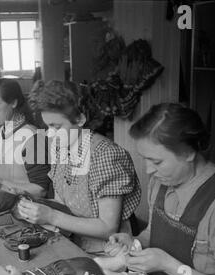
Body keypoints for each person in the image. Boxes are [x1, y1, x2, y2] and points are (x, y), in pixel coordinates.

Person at [106, 103, 215, 275]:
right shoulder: (160, 183)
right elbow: (154, 233)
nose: (148, 170)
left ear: (188, 152)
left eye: (157, 161)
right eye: (145, 159)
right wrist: (134, 243)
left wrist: (168, 265)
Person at [17, 80, 141, 254]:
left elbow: (108, 228)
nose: (50, 134)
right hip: (73, 243)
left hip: (107, 252)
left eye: (56, 126)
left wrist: (51, 216)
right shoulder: (62, 148)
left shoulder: (105, 155)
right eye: (47, 126)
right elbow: (62, 205)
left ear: (81, 118)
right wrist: (33, 207)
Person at [0, 79, 52, 197]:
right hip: (1, 201)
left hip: (25, 209)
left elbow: (40, 189)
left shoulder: (33, 138)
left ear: (13, 103)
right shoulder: (2, 131)